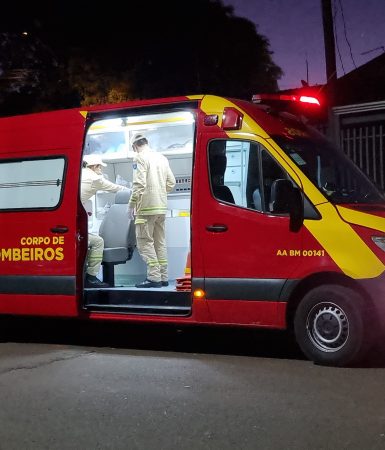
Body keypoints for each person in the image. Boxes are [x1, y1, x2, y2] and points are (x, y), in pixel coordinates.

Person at [128, 134, 176, 288]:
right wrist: (159, 194)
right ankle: (163, 277)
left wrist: (131, 204)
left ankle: (154, 278)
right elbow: (172, 182)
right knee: (159, 243)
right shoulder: (162, 158)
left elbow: (139, 184)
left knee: (144, 242)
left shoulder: (139, 158)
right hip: (161, 208)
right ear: (146, 142)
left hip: (145, 209)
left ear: (134, 146)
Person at [81, 154, 128, 288]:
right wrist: (133, 191)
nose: (101, 169)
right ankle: (91, 277)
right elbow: (117, 188)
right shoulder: (95, 178)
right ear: (94, 166)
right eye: (100, 167)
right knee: (98, 242)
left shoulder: (79, 174)